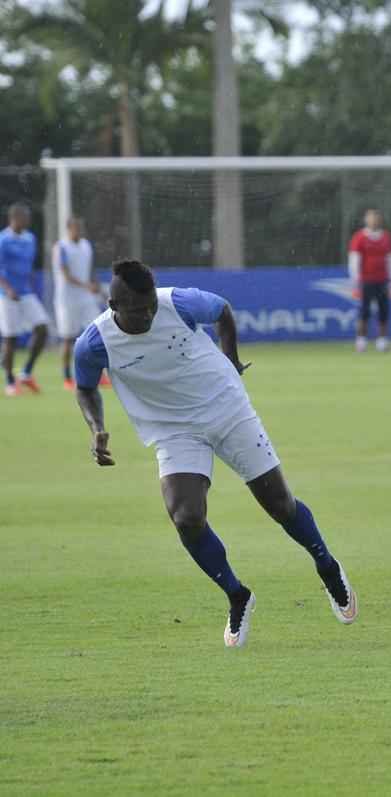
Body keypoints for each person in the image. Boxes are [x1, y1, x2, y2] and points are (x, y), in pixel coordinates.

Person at [73, 259, 358, 646]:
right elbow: (86, 386)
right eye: (137, 311)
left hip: (226, 408)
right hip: (174, 431)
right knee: (186, 517)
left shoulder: (178, 303)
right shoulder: (94, 342)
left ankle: (327, 566)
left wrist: (231, 359)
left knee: (279, 504)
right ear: (113, 304)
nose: (147, 316)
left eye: (149, 308)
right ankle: (238, 595)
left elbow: (222, 310)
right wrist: (97, 429)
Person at [0, 203, 50, 396]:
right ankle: (10, 382)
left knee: (42, 328)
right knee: (10, 338)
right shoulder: (3, 240)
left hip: (26, 293)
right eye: (25, 217)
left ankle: (26, 372)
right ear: (15, 218)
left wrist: (28, 287)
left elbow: (26, 267)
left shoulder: (30, 239)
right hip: (7, 295)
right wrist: (8, 288)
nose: (28, 221)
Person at [53, 216, 103, 389]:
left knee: (98, 333)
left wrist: (95, 283)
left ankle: (100, 373)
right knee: (67, 338)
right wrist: (86, 285)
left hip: (86, 298)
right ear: (68, 229)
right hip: (67, 299)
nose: (79, 231)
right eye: (76, 228)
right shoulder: (61, 247)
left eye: (80, 228)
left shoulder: (86, 245)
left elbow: (89, 270)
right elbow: (65, 275)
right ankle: (67, 377)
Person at [348, 209, 391, 352]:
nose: (374, 221)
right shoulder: (359, 237)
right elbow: (354, 260)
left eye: (377, 218)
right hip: (366, 281)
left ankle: (382, 342)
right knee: (364, 312)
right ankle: (361, 341)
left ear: (380, 220)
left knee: (384, 312)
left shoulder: (386, 237)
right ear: (366, 220)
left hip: (382, 281)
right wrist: (355, 281)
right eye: (371, 218)